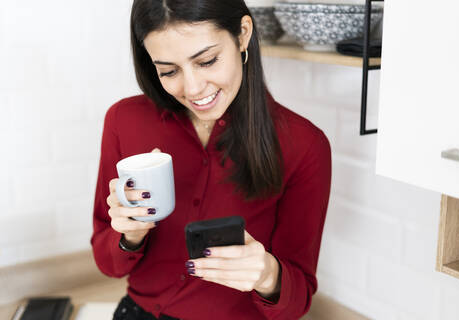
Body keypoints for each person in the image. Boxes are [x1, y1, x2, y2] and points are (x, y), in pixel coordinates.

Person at [91, 0, 332, 319]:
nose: (192, 88)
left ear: (243, 34)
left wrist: (266, 274)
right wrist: (130, 235)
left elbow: (297, 301)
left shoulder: (304, 145)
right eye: (168, 70)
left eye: (207, 61)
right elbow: (107, 264)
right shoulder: (124, 120)